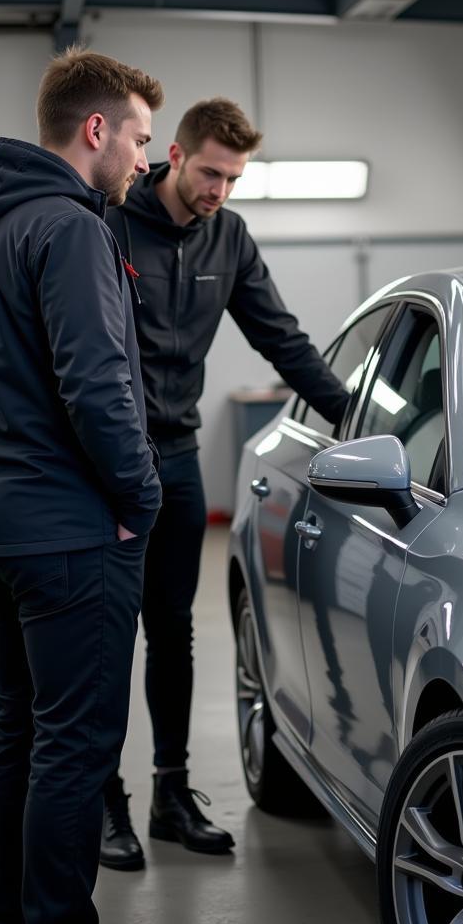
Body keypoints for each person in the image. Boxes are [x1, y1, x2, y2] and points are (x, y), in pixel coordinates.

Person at [0, 48, 188, 924]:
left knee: (18, 731)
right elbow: (97, 384)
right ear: (95, 130)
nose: (144, 163)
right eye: (141, 140)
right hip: (70, 535)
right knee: (75, 745)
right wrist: (140, 498)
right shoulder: (71, 231)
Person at [99, 97, 348, 869]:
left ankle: (171, 793)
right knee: (107, 634)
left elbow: (283, 338)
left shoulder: (228, 237)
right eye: (211, 172)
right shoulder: (109, 225)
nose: (220, 191)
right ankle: (106, 801)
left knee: (172, 627)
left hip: (174, 454)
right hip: (106, 460)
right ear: (174, 154)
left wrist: (360, 415)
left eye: (234, 179)